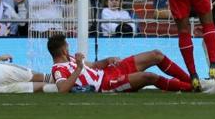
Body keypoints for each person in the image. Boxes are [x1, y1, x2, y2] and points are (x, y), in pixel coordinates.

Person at [48, 34, 193, 93]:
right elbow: (62, 89)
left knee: (156, 54)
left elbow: (93, 66)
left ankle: (192, 80)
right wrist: (79, 68)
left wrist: (107, 60)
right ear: (62, 50)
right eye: (67, 46)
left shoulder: (72, 58)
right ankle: (191, 87)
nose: (69, 47)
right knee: (149, 76)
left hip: (110, 71)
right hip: (106, 84)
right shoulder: (58, 69)